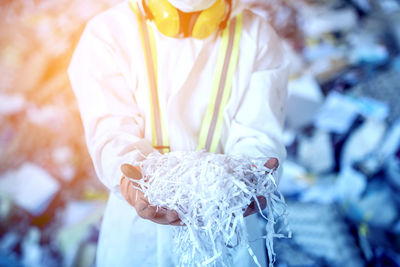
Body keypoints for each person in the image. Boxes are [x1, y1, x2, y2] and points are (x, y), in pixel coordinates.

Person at [68, 0, 289, 265]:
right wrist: (132, 181)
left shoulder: (258, 37)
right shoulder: (107, 34)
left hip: (227, 229)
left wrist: (249, 180)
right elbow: (111, 131)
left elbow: (259, 134)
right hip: (138, 237)